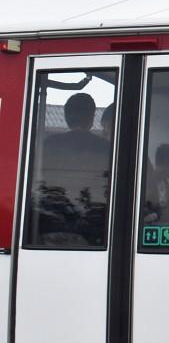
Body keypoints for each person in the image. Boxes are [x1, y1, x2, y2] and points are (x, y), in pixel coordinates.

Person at [37, 92, 111, 245]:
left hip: (50, 221)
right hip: (92, 225)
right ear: (91, 117)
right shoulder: (105, 147)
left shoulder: (49, 143)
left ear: (66, 117)